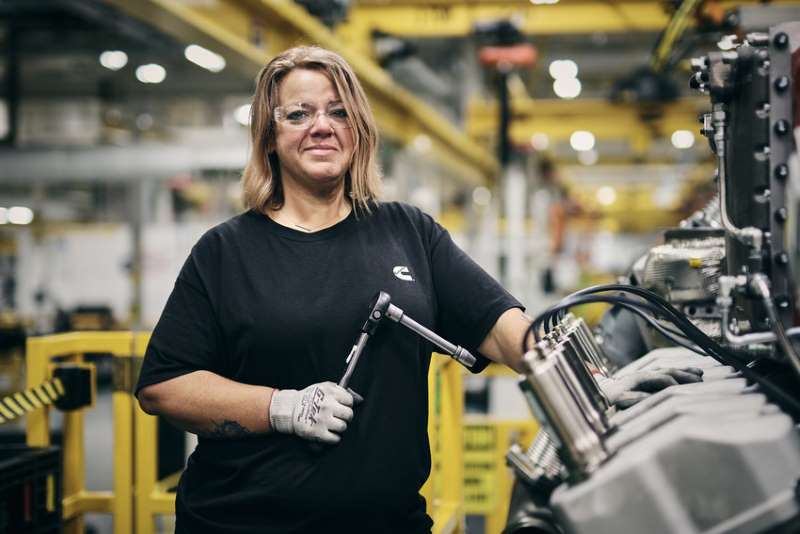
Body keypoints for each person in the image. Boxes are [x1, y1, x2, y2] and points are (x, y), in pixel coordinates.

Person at [135, 46, 700, 533]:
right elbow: (164, 385)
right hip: (242, 522)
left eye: (338, 111)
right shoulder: (226, 251)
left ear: (359, 130)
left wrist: (598, 380)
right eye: (299, 114)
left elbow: (504, 329)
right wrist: (280, 407)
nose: (322, 126)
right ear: (270, 136)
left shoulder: (407, 232)